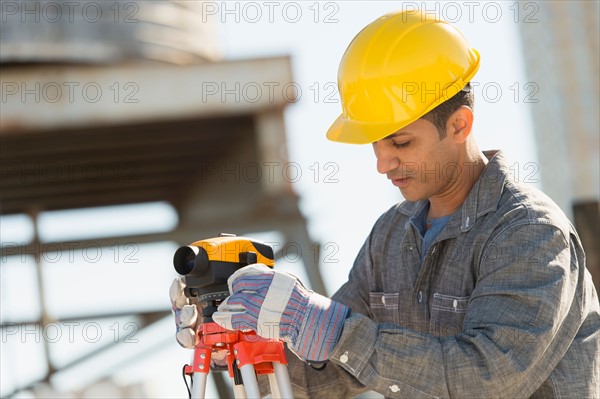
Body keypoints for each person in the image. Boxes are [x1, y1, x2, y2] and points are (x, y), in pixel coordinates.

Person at [171, 10, 600, 398]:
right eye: (376, 143)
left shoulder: (529, 233)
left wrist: (333, 330)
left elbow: (486, 380)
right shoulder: (391, 235)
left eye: (401, 142)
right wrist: (246, 346)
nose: (383, 163)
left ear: (459, 125)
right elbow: (329, 373)